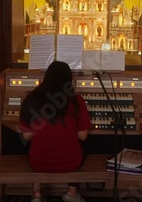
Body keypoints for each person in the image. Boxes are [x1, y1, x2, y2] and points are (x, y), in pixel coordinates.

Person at [18, 61, 91, 202]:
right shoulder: (77, 101)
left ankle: (37, 194)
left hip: (38, 162)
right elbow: (82, 136)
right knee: (83, 144)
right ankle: (71, 193)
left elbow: (26, 136)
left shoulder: (32, 99)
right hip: (70, 162)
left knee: (30, 145)